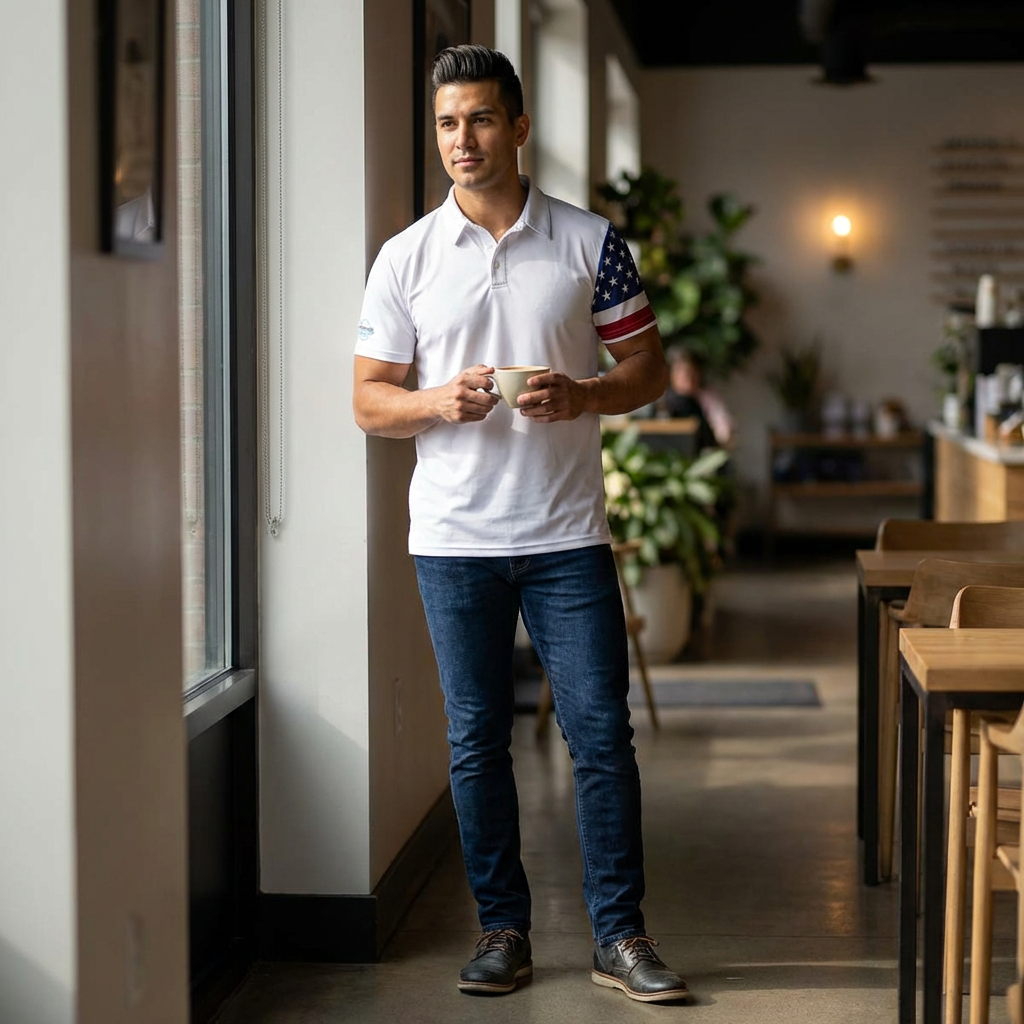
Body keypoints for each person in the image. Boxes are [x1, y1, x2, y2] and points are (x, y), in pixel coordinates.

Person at [353, 44, 688, 1004]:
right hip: (454, 542)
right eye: (449, 122)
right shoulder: (405, 257)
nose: (465, 139)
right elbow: (370, 402)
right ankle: (503, 930)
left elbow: (649, 370)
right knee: (475, 740)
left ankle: (621, 937)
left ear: (520, 126)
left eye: (483, 119)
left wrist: (584, 393)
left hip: (568, 537)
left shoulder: (591, 240)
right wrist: (435, 405)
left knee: (600, 737)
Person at [664, 345, 734, 448]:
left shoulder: (708, 399)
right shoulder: (663, 400)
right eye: (682, 372)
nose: (688, 378)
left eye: (692, 372)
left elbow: (724, 429)